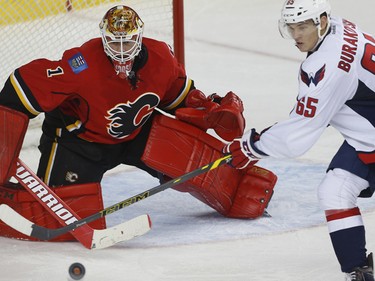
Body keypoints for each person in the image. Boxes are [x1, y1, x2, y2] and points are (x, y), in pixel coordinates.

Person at [0, 5, 277, 242]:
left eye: (128, 42)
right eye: (115, 42)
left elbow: (179, 100)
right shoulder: (80, 64)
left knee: (191, 158)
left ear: (139, 38)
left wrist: (208, 109)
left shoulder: (162, 59)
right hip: (79, 144)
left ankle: (236, 185)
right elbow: (20, 87)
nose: (121, 50)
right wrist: (5, 144)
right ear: (104, 39)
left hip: (137, 134)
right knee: (60, 225)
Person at [224, 0, 375, 280]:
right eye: (291, 27)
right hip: (367, 135)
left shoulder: (326, 66)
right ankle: (358, 270)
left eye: (303, 26)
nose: (296, 35)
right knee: (335, 190)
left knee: (337, 190)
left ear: (322, 21)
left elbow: (298, 137)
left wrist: (250, 145)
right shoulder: (340, 27)